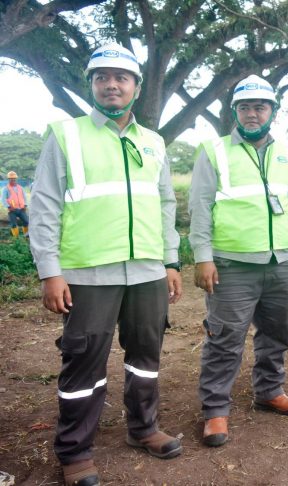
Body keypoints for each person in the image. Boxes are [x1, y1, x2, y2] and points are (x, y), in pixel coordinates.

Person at [29, 43, 183, 486]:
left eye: (121, 77)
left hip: (148, 272)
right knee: (83, 365)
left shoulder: (152, 142)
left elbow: (166, 204)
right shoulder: (66, 134)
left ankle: (144, 429)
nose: (111, 84)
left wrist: (171, 261)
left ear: (135, 86)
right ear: (91, 84)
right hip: (88, 272)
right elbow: (44, 207)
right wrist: (50, 270)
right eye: (101, 77)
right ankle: (75, 452)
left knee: (145, 357)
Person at [190, 74, 288, 447]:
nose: (252, 114)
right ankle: (215, 410)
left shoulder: (287, 154)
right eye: (244, 107)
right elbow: (200, 207)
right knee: (225, 338)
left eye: (260, 107)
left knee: (277, 331)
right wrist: (202, 257)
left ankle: (269, 390)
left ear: (272, 112)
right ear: (235, 112)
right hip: (231, 264)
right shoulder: (214, 151)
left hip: (280, 262)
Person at [2, 171, 29, 238]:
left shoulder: (20, 188)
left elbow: (24, 197)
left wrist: (25, 205)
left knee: (26, 222)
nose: (13, 179)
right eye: (11, 178)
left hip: (21, 209)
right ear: (9, 179)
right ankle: (16, 238)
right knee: (14, 224)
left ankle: (26, 237)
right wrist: (8, 207)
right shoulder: (6, 188)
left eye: (14, 178)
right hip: (12, 210)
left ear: (16, 179)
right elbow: (3, 199)